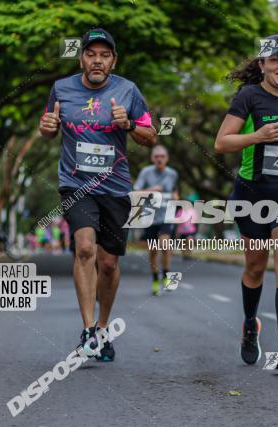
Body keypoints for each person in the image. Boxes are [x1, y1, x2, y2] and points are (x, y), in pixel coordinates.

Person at [38, 28, 157, 361]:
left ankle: (103, 328)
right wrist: (46, 129)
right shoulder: (61, 88)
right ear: (81, 58)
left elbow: (151, 136)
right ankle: (89, 329)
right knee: (85, 249)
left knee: (108, 264)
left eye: (105, 55)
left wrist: (129, 125)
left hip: (115, 187)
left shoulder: (128, 91)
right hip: (76, 185)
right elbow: (48, 126)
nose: (97, 60)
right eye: (91, 54)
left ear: (113, 61)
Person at [214, 34, 278, 370]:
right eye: (274, 59)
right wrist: (256, 137)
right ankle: (249, 323)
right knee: (256, 266)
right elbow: (222, 142)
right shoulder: (249, 97)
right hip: (253, 194)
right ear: (262, 65)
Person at [133, 145, 179, 296]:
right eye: (156, 156)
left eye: (162, 156)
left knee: (165, 244)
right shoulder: (146, 172)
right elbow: (136, 191)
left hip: (167, 215)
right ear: (152, 158)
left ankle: (165, 274)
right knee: (153, 250)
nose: (159, 159)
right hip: (150, 216)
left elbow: (174, 190)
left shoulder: (172, 174)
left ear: (167, 158)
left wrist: (176, 199)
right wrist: (152, 190)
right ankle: (155, 280)